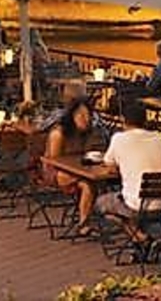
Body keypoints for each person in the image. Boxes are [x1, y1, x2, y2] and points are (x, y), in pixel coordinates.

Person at [95, 100, 161, 235]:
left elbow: (109, 165)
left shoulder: (119, 139)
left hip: (136, 207)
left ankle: (139, 236)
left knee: (100, 203)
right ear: (145, 120)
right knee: (127, 196)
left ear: (123, 120)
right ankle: (140, 235)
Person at [43, 96, 99, 227]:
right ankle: (84, 223)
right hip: (56, 171)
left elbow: (87, 153)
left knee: (94, 183)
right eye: (81, 115)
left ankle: (87, 216)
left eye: (88, 115)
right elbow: (55, 161)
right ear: (72, 116)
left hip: (79, 169)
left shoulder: (86, 133)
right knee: (88, 184)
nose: (86, 119)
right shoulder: (59, 134)